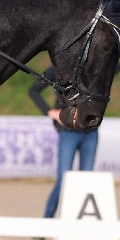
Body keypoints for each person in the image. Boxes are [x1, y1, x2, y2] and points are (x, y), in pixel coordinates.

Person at [28, 66, 100, 218]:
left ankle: (78, 223)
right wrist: (49, 112)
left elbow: (117, 66)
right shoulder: (58, 67)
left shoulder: (94, 63)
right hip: (68, 132)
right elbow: (33, 91)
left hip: (90, 132)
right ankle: (46, 222)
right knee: (63, 181)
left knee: (86, 180)